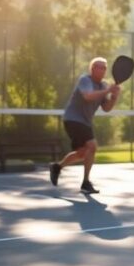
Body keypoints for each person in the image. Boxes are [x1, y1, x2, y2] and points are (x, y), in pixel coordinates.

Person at [49, 57, 120, 194]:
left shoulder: (103, 86)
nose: (102, 70)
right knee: (92, 146)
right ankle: (86, 183)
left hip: (85, 122)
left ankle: (57, 167)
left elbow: (106, 108)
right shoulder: (85, 80)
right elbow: (88, 96)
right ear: (92, 69)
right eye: (99, 67)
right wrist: (108, 91)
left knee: (82, 153)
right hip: (73, 119)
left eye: (104, 68)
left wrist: (114, 97)